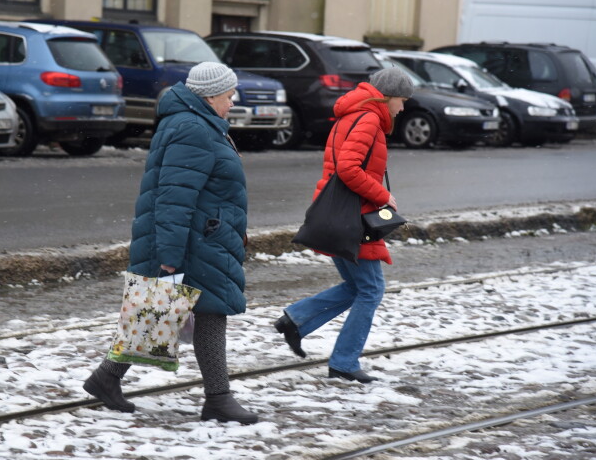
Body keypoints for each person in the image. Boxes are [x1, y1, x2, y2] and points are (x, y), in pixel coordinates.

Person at [83, 62, 258, 424]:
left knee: (159, 310)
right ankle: (219, 399)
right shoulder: (193, 128)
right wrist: (170, 255)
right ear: (210, 95)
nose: (232, 101)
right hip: (194, 240)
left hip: (202, 236)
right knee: (209, 313)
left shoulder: (197, 123)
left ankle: (106, 377)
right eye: (229, 95)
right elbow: (173, 197)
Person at [274, 67, 414, 383]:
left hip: (338, 212)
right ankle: (344, 362)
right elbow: (348, 168)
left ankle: (296, 320)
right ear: (388, 95)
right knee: (371, 289)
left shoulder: (352, 113)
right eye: (402, 100)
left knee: (357, 287)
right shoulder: (368, 119)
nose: (402, 108)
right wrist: (383, 195)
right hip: (352, 216)